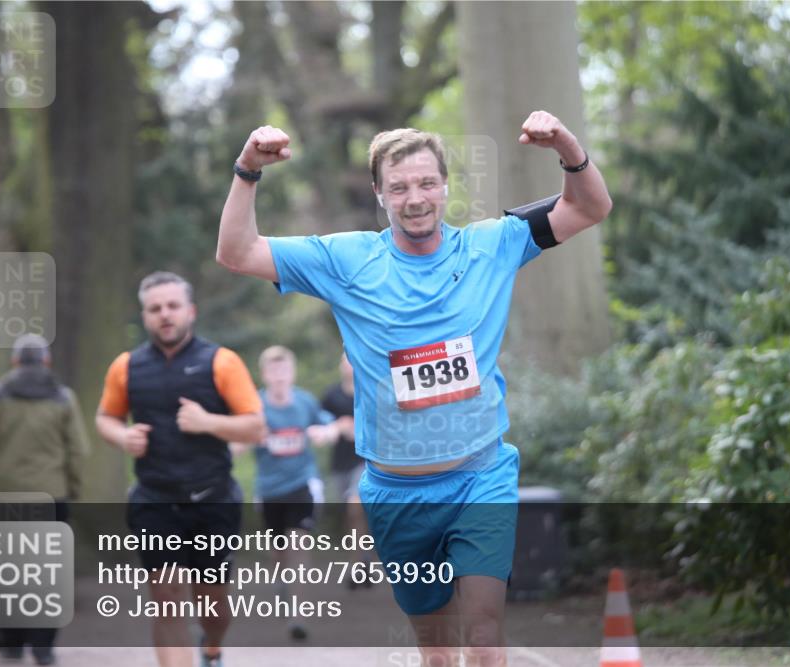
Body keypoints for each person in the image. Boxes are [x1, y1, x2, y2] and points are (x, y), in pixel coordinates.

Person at [216, 110, 612, 666]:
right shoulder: (346, 260)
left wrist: (568, 148)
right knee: (438, 651)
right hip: (397, 493)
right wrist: (247, 170)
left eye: (427, 183)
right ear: (380, 194)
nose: (416, 198)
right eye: (399, 187)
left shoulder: (491, 245)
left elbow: (590, 207)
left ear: (446, 186)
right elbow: (236, 252)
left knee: (483, 637)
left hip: (480, 478)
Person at [95, 271, 265, 667]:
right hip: (154, 500)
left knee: (213, 606)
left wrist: (210, 423)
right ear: (144, 316)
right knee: (166, 598)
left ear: (191, 310)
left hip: (213, 500)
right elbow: (105, 418)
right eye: (155, 309)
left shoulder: (222, 362)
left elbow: (256, 427)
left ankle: (212, 647)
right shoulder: (127, 366)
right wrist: (122, 437)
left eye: (172, 306)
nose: (164, 315)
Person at [0, 334, 89, 665]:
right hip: (52, 496)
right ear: (47, 361)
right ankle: (43, 647)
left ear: (15, 361)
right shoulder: (63, 398)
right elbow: (78, 450)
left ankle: (10, 643)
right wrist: (72, 490)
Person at [248, 345, 339, 641]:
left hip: (303, 483)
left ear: (292, 373)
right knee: (279, 551)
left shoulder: (305, 402)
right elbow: (236, 439)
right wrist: (250, 437)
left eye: (284, 370)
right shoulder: (255, 406)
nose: (279, 376)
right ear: (264, 375)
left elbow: (328, 427)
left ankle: (299, 614)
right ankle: (281, 581)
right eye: (273, 371)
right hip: (270, 488)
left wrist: (324, 434)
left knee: (299, 545)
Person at [320, 353, 372, 585]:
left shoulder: (369, 392)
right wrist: (336, 427)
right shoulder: (331, 395)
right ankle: (363, 557)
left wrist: (358, 430)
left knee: (355, 506)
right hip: (339, 462)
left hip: (364, 461)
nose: (349, 367)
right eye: (345, 362)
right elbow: (320, 424)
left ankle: (357, 567)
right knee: (349, 515)